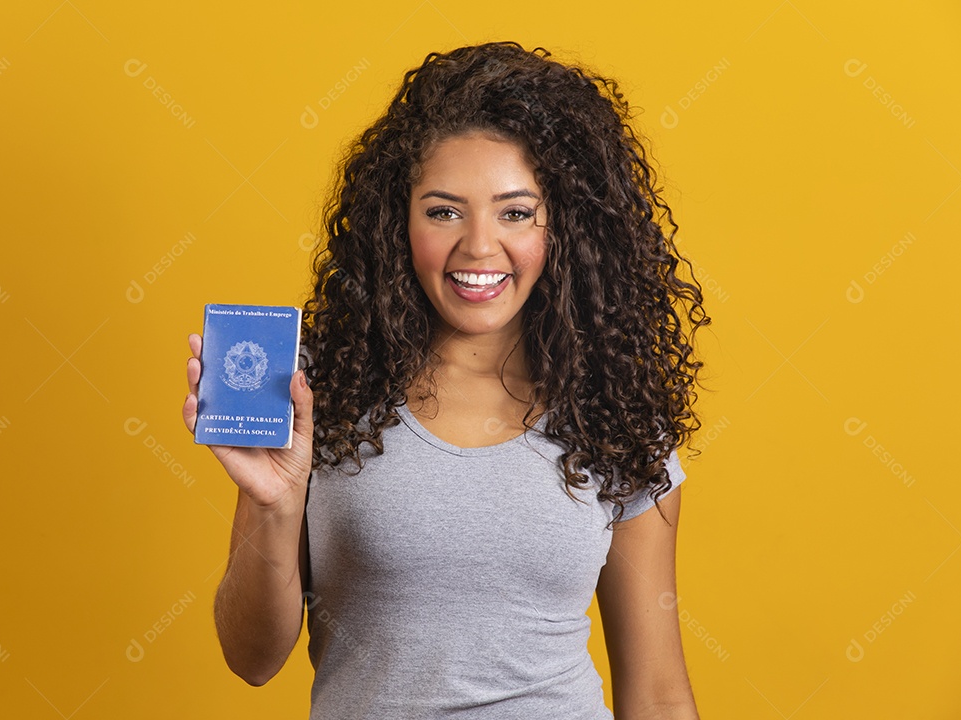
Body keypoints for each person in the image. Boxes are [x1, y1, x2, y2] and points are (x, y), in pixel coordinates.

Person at [183, 41, 709, 719]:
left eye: (515, 212)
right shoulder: (313, 392)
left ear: (566, 228)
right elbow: (251, 658)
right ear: (396, 223)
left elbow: (659, 693)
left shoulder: (617, 413)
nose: (480, 247)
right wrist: (274, 506)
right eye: (443, 211)